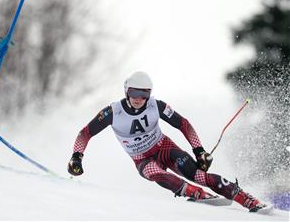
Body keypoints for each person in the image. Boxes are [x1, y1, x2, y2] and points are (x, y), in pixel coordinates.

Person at [67, 71, 267, 212]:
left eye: (144, 94)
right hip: (142, 159)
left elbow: (184, 124)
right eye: (135, 93)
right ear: (127, 91)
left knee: (198, 174)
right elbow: (85, 133)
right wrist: (77, 157)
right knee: (156, 173)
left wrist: (199, 151)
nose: (139, 98)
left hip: (165, 148)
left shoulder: (156, 105)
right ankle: (195, 193)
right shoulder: (113, 112)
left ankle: (244, 198)